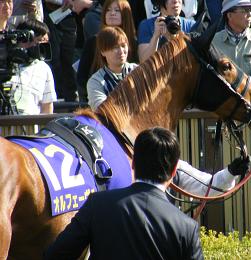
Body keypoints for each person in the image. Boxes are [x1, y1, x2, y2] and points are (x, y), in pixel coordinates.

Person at [44, 127, 204, 260]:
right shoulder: (186, 228)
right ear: (174, 170)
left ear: (133, 162)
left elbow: (56, 255)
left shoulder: (97, 204)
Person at [77, 0, 137, 102]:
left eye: (117, 10)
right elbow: (82, 77)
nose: (112, 13)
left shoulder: (134, 44)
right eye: (108, 10)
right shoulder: (93, 41)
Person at [211, 0, 251, 90]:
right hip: (225, 101)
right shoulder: (214, 42)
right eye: (245, 10)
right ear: (229, 15)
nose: (250, 14)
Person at [4, 18, 57, 115]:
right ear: (23, 39)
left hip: (31, 126)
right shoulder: (4, 63)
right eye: (39, 41)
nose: (42, 47)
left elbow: (47, 107)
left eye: (45, 42)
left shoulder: (44, 69)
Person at [87, 26, 137, 110]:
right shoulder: (96, 81)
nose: (121, 51)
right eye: (115, 47)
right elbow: (103, 110)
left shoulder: (138, 71)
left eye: (123, 46)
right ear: (103, 52)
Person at [43, 0, 78, 102]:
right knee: (54, 59)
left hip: (70, 16)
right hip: (49, 14)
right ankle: (56, 99)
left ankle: (71, 99)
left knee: (69, 60)